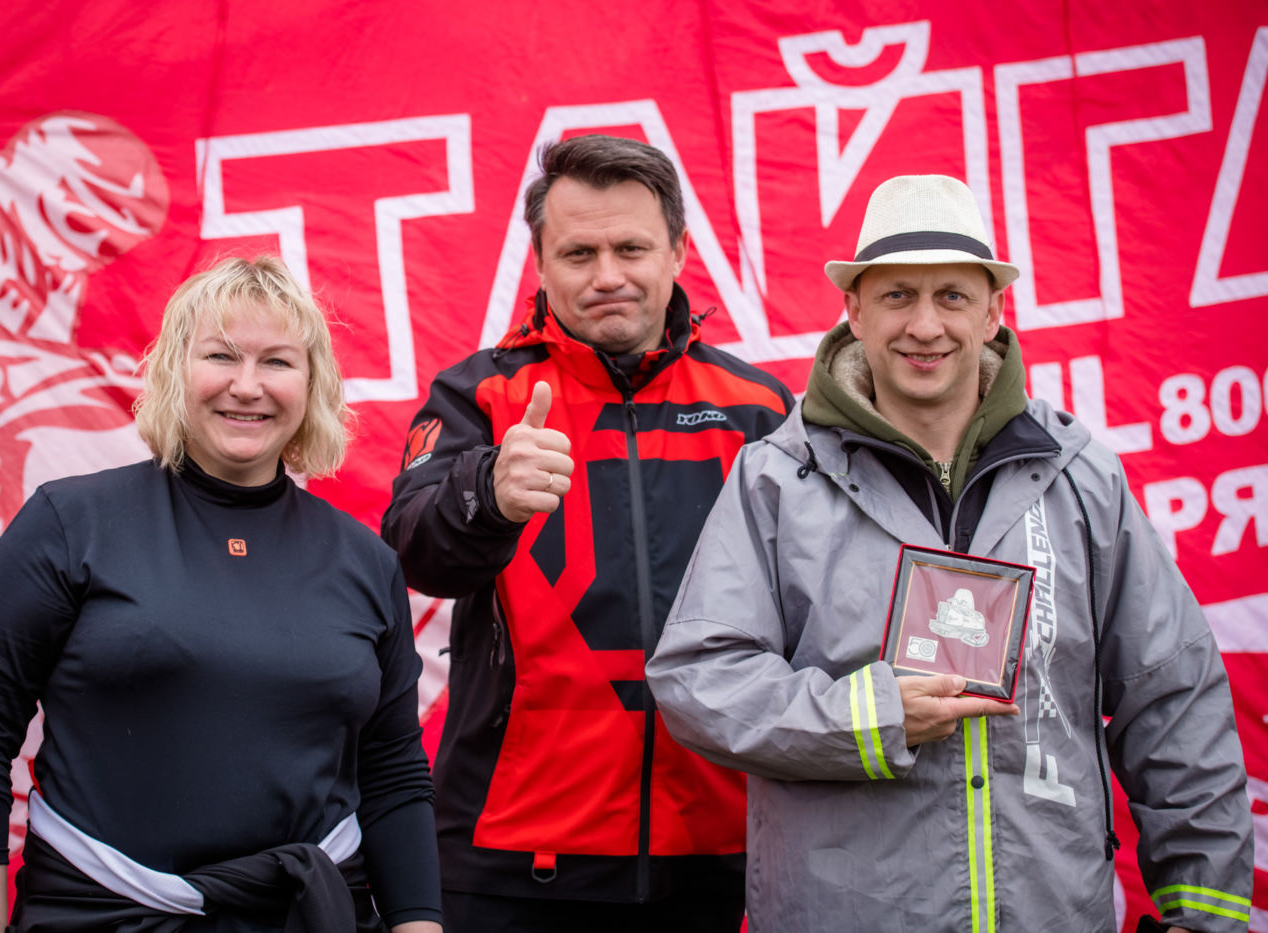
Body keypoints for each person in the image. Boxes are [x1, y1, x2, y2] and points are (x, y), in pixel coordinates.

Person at [645, 174, 1253, 931]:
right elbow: (698, 679)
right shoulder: (777, 479)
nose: (925, 325)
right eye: (898, 295)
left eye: (953, 296)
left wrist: (1205, 912)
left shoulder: (1078, 475)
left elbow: (1173, 696)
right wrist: (867, 716)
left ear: (993, 312)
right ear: (855, 310)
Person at [0, 256, 443, 932]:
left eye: (277, 362)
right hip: (99, 917)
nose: (247, 386)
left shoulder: (366, 561)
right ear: (175, 369)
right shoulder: (69, 523)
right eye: (220, 355)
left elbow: (394, 774)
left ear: (313, 383)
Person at [381, 135, 793, 931]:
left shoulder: (759, 408)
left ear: (677, 251)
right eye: (579, 253)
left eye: (630, 248)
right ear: (540, 263)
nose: (607, 275)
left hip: (716, 850)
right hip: (511, 856)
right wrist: (486, 493)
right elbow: (411, 548)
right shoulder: (477, 394)